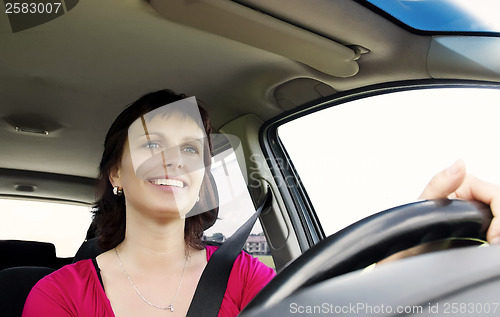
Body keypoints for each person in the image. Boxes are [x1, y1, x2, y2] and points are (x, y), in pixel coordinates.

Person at [22, 89, 500, 317]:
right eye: (151, 145)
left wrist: (404, 265)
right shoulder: (58, 295)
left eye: (191, 149)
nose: (174, 161)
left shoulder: (244, 276)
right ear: (116, 172)